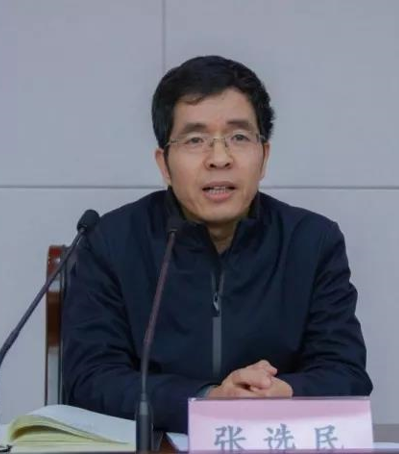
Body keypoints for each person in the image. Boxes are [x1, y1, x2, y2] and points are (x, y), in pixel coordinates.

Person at [62, 55, 373, 433]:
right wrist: (208, 400)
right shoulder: (112, 241)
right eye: (195, 140)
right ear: (164, 164)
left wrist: (283, 393)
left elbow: (346, 374)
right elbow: (89, 379)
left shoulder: (311, 241)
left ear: (264, 156)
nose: (220, 159)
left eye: (239, 137)